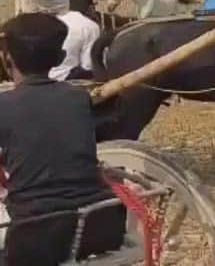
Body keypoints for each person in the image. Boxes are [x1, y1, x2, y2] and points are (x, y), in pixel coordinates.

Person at [0, 13, 126, 266]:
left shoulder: (4, 106)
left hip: (34, 239)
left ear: (6, 59)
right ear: (59, 58)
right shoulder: (78, 98)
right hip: (102, 228)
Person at [52, 0, 100, 82]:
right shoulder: (91, 26)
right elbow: (88, 65)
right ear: (90, 8)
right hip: (67, 77)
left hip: (47, 75)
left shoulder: (57, 20)